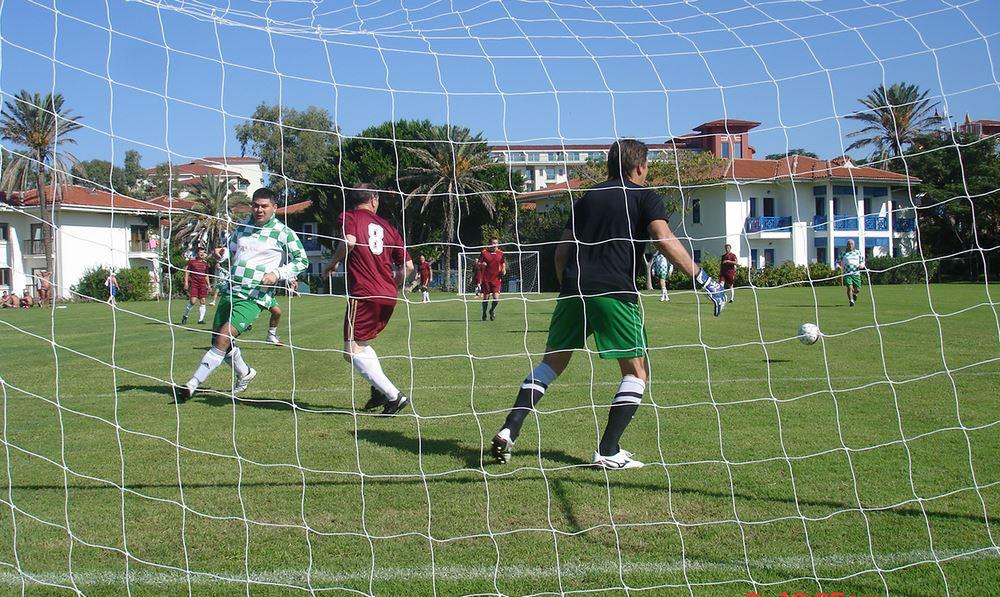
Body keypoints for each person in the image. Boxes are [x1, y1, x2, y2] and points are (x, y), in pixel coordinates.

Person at [489, 139, 727, 469]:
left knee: (550, 365)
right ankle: (608, 450)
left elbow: (561, 252)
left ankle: (509, 429)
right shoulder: (644, 196)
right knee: (637, 372)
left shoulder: (586, 199)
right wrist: (703, 278)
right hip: (614, 293)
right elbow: (662, 237)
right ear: (640, 166)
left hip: (573, 292)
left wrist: (569, 288)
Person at [176, 188, 309, 402]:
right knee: (219, 340)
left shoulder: (283, 233)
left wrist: (277, 274)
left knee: (223, 338)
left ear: (274, 208)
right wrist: (220, 254)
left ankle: (192, 384)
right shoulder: (243, 227)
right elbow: (231, 252)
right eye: (256, 205)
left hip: (254, 296)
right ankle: (245, 373)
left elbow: (302, 261)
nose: (259, 210)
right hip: (231, 291)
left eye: (264, 206)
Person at [322, 183, 414, 415]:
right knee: (361, 344)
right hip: (388, 295)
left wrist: (332, 263)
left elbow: (349, 241)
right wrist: (393, 285)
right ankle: (379, 391)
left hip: (363, 293)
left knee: (351, 351)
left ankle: (394, 396)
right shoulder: (388, 227)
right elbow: (408, 266)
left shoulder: (350, 216)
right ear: (374, 199)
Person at [181, 246, 212, 324]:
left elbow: (206, 275)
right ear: (197, 253)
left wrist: (208, 285)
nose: (202, 254)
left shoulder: (205, 263)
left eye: (203, 252)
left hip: (202, 284)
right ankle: (185, 315)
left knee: (203, 300)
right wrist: (186, 282)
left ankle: (200, 320)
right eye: (200, 252)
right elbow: (186, 271)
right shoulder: (192, 262)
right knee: (193, 301)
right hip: (194, 283)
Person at [479, 237, 506, 321]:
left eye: (496, 243)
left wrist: (504, 270)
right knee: (486, 299)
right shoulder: (484, 253)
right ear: (489, 244)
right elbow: (478, 264)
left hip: (496, 279)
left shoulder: (500, 253)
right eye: (493, 243)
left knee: (496, 299)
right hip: (486, 279)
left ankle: (491, 310)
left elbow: (503, 263)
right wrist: (481, 264)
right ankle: (484, 312)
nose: (495, 245)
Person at [265, 279, 297, 346]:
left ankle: (271, 336)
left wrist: (291, 281)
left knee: (277, 312)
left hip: (267, 294)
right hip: (257, 292)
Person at [840, 239, 865, 307]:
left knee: (858, 289)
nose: (850, 245)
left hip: (856, 274)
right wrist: (839, 267)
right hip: (847, 274)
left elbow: (862, 261)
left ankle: (854, 294)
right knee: (849, 287)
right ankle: (851, 301)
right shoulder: (843, 253)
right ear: (847, 245)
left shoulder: (857, 252)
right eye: (849, 244)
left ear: (854, 245)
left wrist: (861, 265)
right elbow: (838, 261)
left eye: (852, 244)